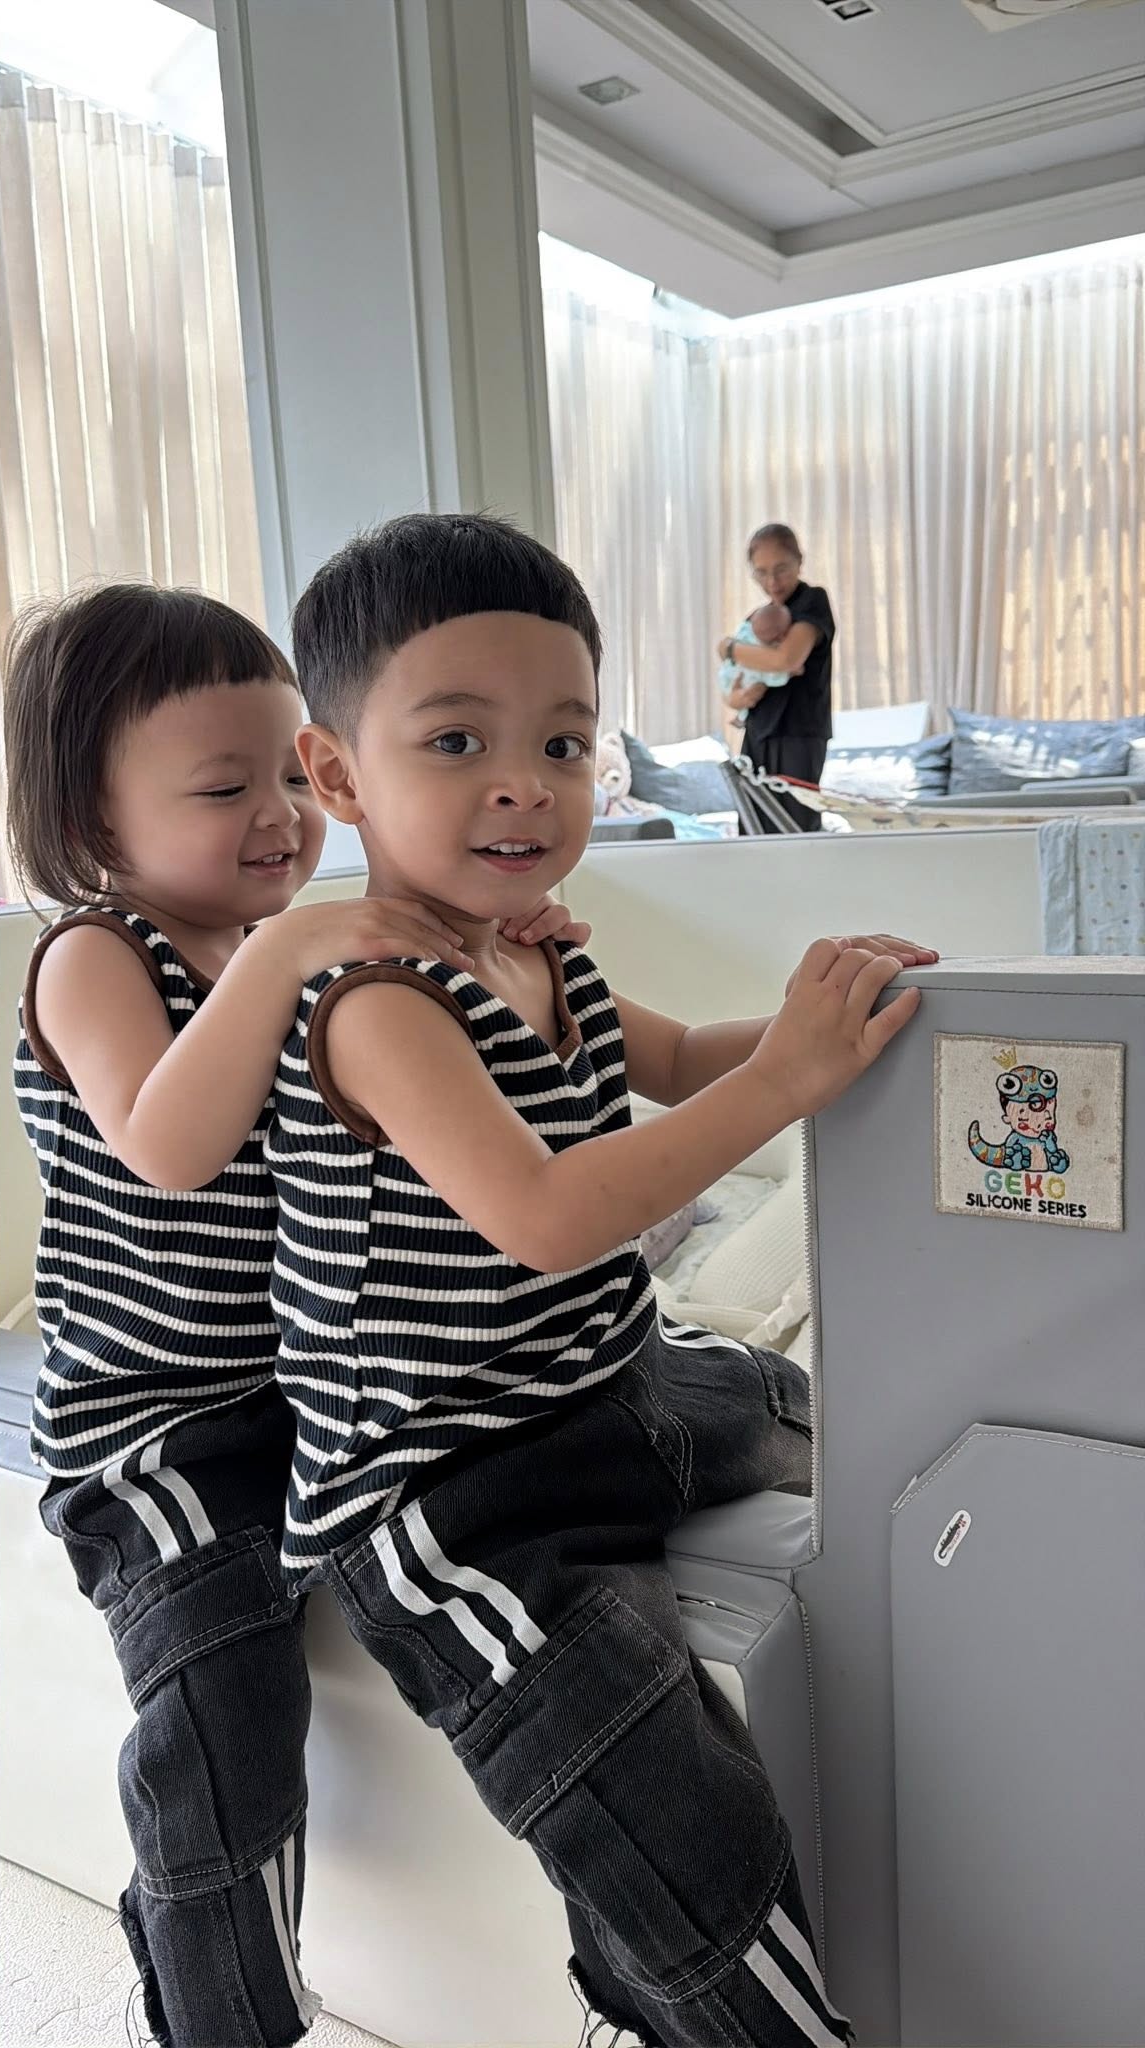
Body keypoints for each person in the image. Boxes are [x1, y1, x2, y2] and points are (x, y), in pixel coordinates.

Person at [264, 513, 935, 2047]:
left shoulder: (543, 951)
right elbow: (550, 1217)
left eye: (565, 742)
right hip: (452, 1493)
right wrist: (782, 1083)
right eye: (458, 740)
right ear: (338, 775)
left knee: (813, 1412)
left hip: (610, 1387)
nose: (525, 781)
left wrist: (829, 1023)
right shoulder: (377, 1002)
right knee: (681, 1825)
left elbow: (687, 1058)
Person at [3, 582, 590, 2048]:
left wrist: (498, 939)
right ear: (89, 816)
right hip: (157, 1433)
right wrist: (292, 952)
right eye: (222, 788)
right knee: (225, 1717)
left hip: (310, 1392)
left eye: (288, 772)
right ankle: (217, 2012)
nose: (277, 815)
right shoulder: (95, 953)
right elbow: (165, 1143)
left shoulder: (312, 953)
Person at [718, 525, 835, 831]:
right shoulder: (758, 619)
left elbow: (786, 660)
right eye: (761, 572)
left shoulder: (812, 602)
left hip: (799, 732)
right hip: (757, 733)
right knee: (753, 827)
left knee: (796, 828)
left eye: (781, 569)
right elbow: (733, 686)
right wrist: (738, 698)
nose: (772, 582)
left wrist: (729, 648)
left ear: (799, 561)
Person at [719, 601, 793, 728]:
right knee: (756, 688)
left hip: (726, 674)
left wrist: (728, 649)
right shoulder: (765, 649)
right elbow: (775, 673)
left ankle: (741, 717)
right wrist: (789, 674)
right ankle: (741, 717)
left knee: (747, 692)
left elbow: (725, 646)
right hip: (740, 677)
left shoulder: (746, 630)